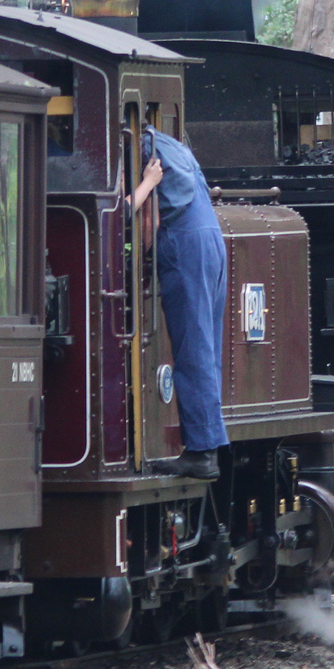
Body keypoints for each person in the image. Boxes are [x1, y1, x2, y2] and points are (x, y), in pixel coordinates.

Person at [130, 123, 226, 481]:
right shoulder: (169, 144)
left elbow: (147, 217)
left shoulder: (139, 151)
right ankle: (206, 443)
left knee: (192, 348)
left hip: (184, 243)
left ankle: (201, 451)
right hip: (209, 237)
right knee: (205, 347)